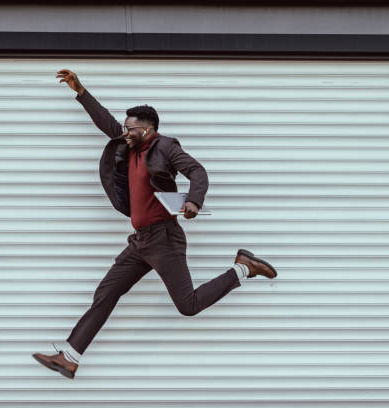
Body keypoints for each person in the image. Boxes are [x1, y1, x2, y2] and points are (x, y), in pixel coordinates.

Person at [32, 69, 278, 379]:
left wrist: (194, 201)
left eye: (130, 127)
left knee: (187, 305)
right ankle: (69, 357)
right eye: (125, 126)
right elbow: (107, 123)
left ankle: (243, 268)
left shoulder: (166, 148)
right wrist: (81, 92)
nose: (124, 131)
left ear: (147, 130)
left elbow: (198, 172)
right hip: (140, 241)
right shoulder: (131, 144)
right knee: (106, 292)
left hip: (164, 240)